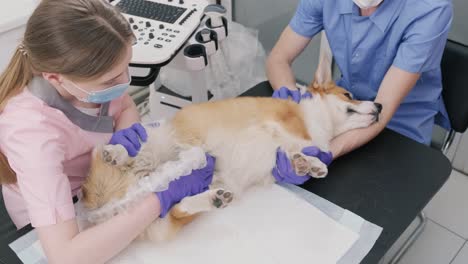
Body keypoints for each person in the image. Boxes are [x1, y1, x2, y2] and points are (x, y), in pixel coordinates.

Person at [0, 0, 214, 263]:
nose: (126, 82)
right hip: (60, 215)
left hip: (104, 182)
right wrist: (161, 198)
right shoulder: (30, 132)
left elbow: (124, 105)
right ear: (55, 78)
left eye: (127, 67)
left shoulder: (88, 82)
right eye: (111, 80)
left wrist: (124, 137)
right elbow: (66, 256)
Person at [267, 0, 453, 163]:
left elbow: (382, 109)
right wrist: (291, 101)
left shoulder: (430, 8)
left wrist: (324, 153)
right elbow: (279, 59)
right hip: (348, 104)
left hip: (400, 125)